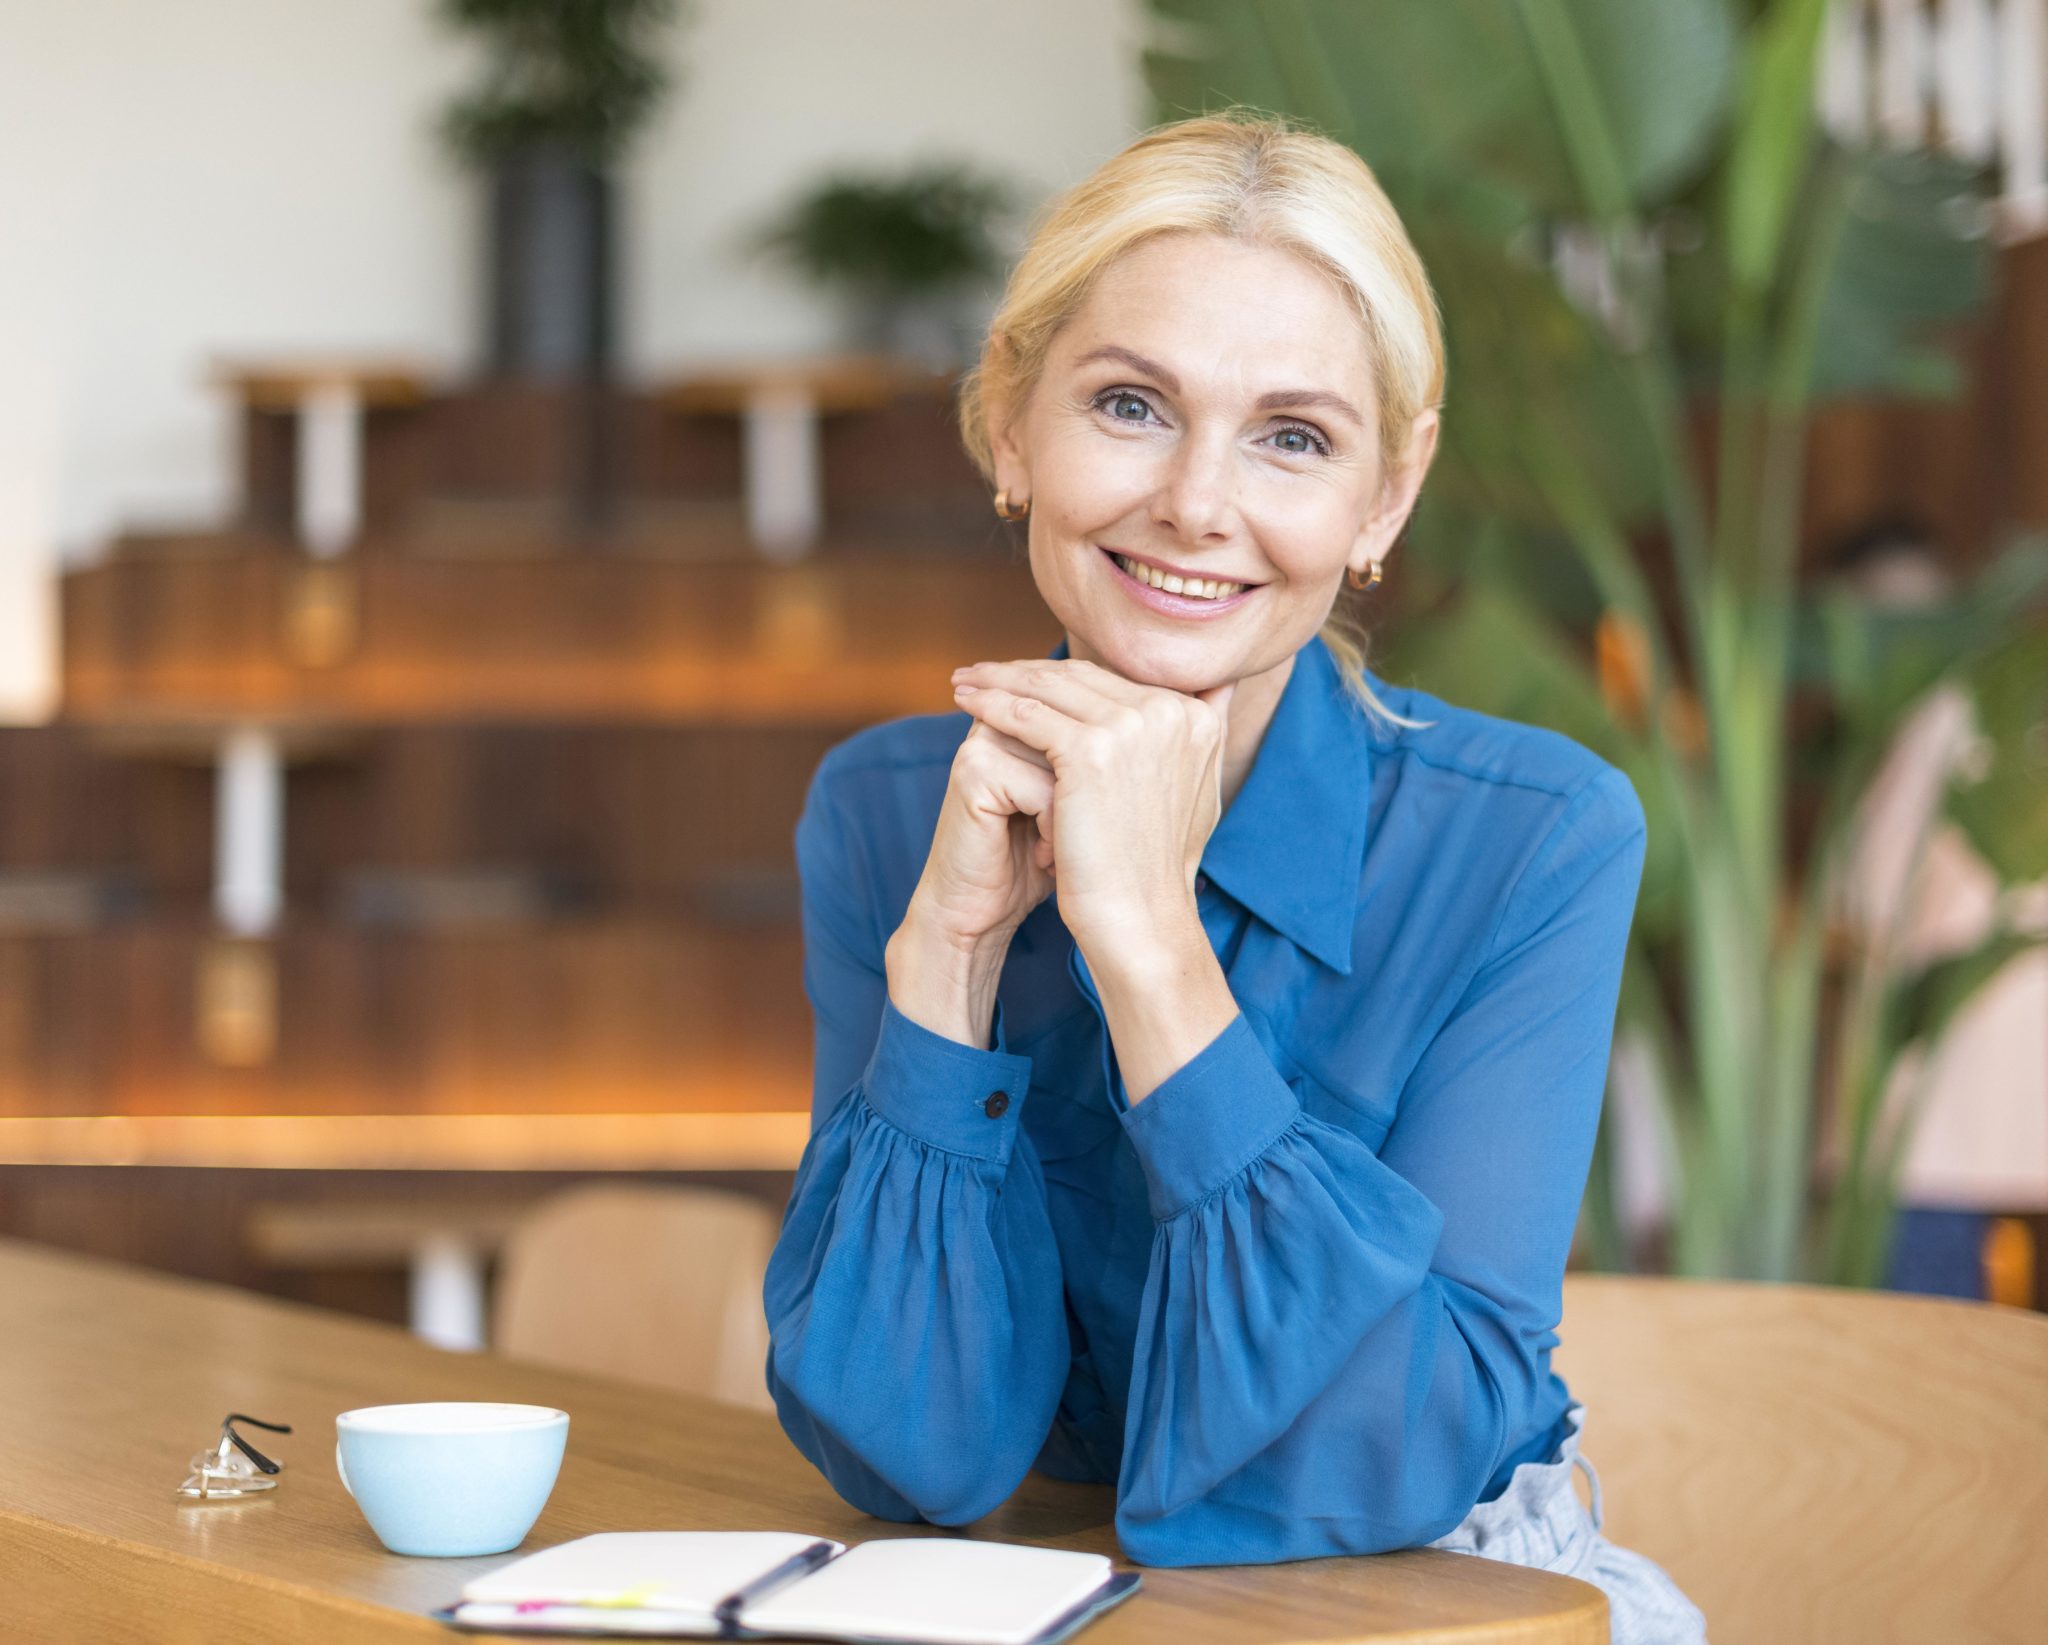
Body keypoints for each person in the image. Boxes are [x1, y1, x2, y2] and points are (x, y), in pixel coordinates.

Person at [762, 111, 1709, 1643]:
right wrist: (947, 953)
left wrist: (1148, 951)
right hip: (1043, 1592)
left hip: (1447, 1599)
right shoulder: (886, 812)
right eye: (1131, 404)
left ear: (1383, 499)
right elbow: (904, 1449)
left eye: (1292, 436)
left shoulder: (1534, 836)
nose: (1199, 504)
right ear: (1012, 426)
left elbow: (1381, 1458)